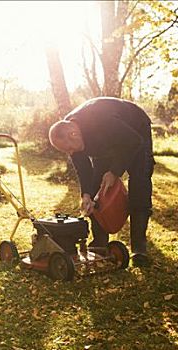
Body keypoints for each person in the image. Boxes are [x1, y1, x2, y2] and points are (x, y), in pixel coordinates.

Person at [48, 97, 155, 267]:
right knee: (97, 187)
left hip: (135, 131)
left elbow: (133, 141)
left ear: (73, 134)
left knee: (140, 183)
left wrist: (114, 171)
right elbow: (83, 169)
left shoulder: (101, 120)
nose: (70, 153)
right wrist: (86, 195)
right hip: (105, 144)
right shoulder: (72, 134)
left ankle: (139, 247)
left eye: (69, 148)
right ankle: (99, 241)